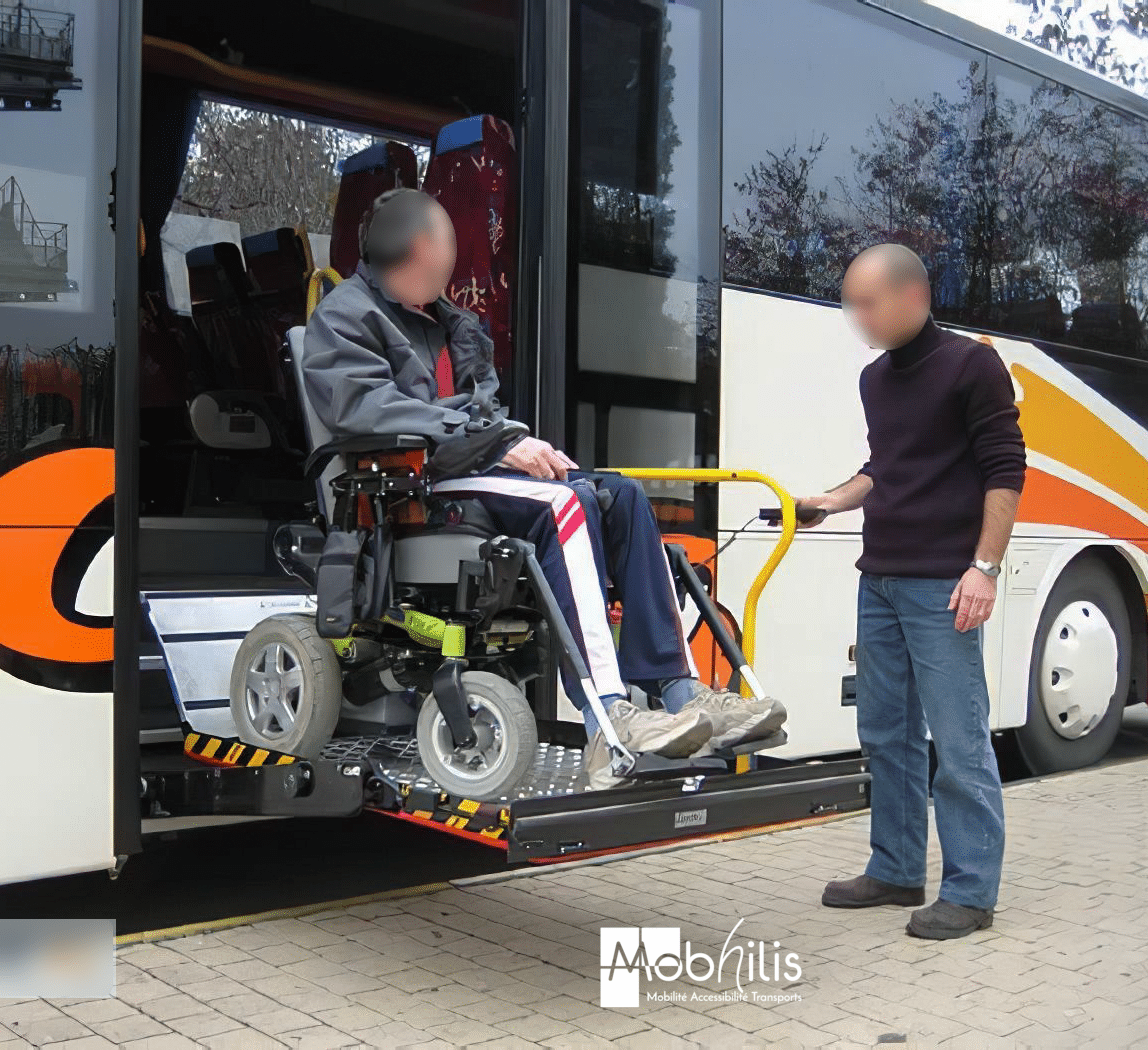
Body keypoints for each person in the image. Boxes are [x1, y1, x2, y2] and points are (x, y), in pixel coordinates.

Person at [303, 188, 785, 789]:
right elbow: (365, 408)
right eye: (445, 247)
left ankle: (683, 695)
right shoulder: (346, 315)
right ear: (422, 247)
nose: (451, 264)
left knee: (620, 496)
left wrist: (508, 442)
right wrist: (495, 442)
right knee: (566, 505)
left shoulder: (446, 321)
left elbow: (481, 411)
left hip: (467, 466)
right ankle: (608, 716)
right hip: (412, 485)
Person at [797, 243, 1025, 940]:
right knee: (886, 734)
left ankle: (971, 892)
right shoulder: (875, 380)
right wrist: (829, 501)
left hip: (943, 586)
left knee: (958, 741)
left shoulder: (971, 365)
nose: (857, 318)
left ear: (914, 297)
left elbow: (1005, 469)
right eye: (851, 305)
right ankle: (896, 869)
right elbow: (886, 468)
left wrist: (984, 568)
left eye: (868, 304)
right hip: (881, 582)